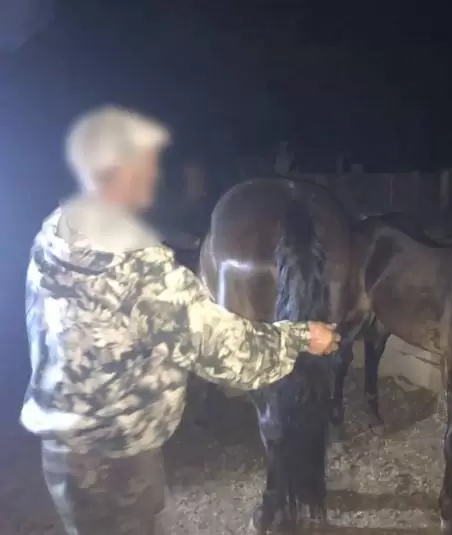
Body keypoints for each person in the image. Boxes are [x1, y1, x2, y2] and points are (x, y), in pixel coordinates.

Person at [19, 105, 341, 535]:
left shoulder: (53, 233)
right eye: (145, 166)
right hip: (120, 459)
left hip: (61, 449)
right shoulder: (139, 264)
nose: (153, 178)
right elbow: (222, 350)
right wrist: (302, 337)